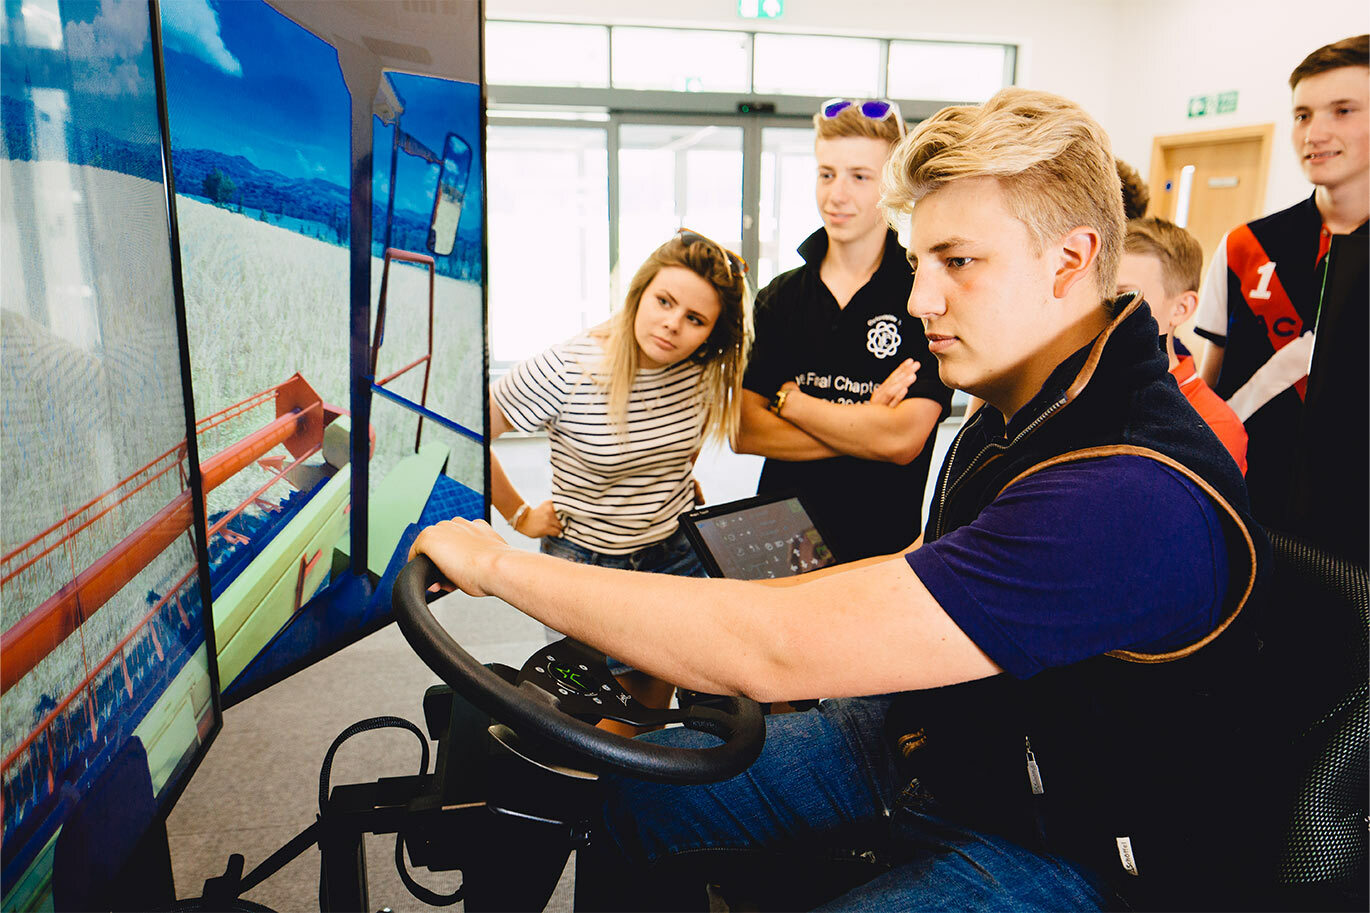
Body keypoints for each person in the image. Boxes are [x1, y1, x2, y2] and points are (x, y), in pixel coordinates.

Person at [412, 88, 1268, 910]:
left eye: (958, 262)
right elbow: (904, 570)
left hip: (1069, 845)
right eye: (922, 259)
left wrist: (496, 565)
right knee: (632, 793)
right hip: (943, 744)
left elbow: (777, 651)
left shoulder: (1125, 492)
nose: (922, 297)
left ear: (1072, 259)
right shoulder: (1018, 408)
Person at [487, 229, 751, 723]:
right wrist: (518, 514)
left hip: (675, 553)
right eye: (664, 301)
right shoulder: (568, 367)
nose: (672, 325)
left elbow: (683, 441)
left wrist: (670, 481)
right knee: (613, 721)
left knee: (678, 693)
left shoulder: (699, 368)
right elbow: (472, 429)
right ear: (639, 292)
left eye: (694, 319)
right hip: (588, 563)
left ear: (711, 333)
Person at [732, 98, 952, 562]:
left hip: (877, 543)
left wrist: (792, 402)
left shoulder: (924, 295)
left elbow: (900, 441)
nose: (837, 194)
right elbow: (745, 431)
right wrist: (864, 424)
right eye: (826, 173)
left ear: (892, 185)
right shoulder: (779, 296)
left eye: (859, 176)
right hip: (778, 535)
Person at [1193, 35, 1368, 545]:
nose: (1315, 132)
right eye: (1302, 115)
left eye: (1343, 110)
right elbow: (1213, 378)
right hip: (1248, 514)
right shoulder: (1247, 246)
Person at [1117, 216, 1248, 470]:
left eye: (1125, 295)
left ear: (1181, 308)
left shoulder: (1214, 425)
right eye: (1099, 293)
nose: (1105, 309)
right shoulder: (1074, 389)